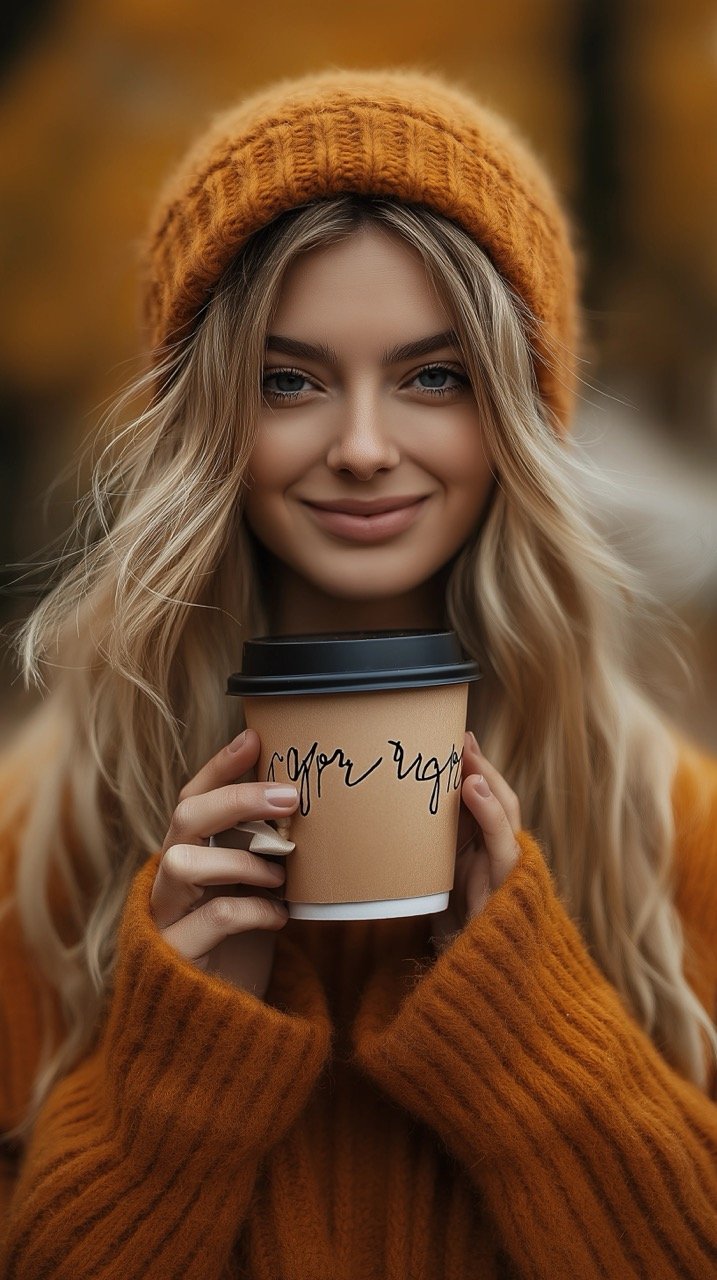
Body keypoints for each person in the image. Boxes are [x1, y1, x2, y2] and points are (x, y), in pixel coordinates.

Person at [1, 66, 716, 1280]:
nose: (367, 448)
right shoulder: (38, 842)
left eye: (434, 376)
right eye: (291, 379)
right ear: (205, 414)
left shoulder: (670, 831)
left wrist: (532, 1031)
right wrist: (177, 1072)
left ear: (514, 415)